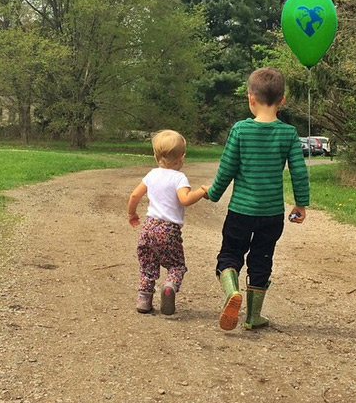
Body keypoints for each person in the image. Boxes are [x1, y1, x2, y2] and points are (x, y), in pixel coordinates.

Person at [202, 67, 309, 331]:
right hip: (271, 215)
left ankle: (231, 293)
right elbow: (299, 171)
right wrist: (300, 204)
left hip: (240, 211)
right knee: (262, 260)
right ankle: (253, 316)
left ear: (250, 98)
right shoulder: (288, 134)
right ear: (282, 100)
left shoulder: (240, 130)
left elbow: (227, 167)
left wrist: (213, 193)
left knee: (230, 254)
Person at [127, 129, 206, 315]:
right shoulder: (179, 178)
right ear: (182, 158)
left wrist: (132, 214)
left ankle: (144, 300)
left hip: (148, 227)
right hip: (168, 230)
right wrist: (203, 191)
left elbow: (134, 195)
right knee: (176, 265)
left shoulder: (151, 175)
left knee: (148, 265)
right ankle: (170, 286)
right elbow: (185, 199)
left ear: (156, 156)